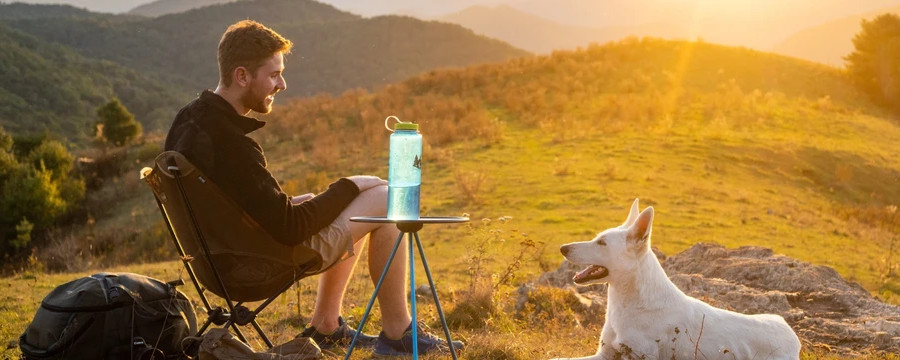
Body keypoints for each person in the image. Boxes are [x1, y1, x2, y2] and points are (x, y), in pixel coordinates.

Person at [164, 20, 461, 356]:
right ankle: (397, 333)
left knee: (346, 201)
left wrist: (329, 198)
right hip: (256, 264)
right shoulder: (233, 145)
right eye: (274, 74)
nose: (283, 84)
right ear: (242, 76)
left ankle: (326, 325)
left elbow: (247, 204)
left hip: (219, 260)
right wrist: (349, 185)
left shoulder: (189, 119)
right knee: (387, 196)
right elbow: (291, 228)